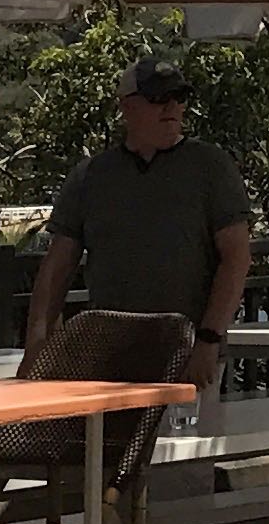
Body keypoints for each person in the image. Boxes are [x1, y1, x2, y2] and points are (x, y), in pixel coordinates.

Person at [28, 55, 251, 382]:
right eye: (158, 97)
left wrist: (209, 340)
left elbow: (237, 257)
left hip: (188, 349)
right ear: (127, 106)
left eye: (179, 97)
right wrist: (36, 345)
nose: (171, 107)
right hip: (108, 350)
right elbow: (57, 266)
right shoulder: (92, 176)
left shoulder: (211, 166)